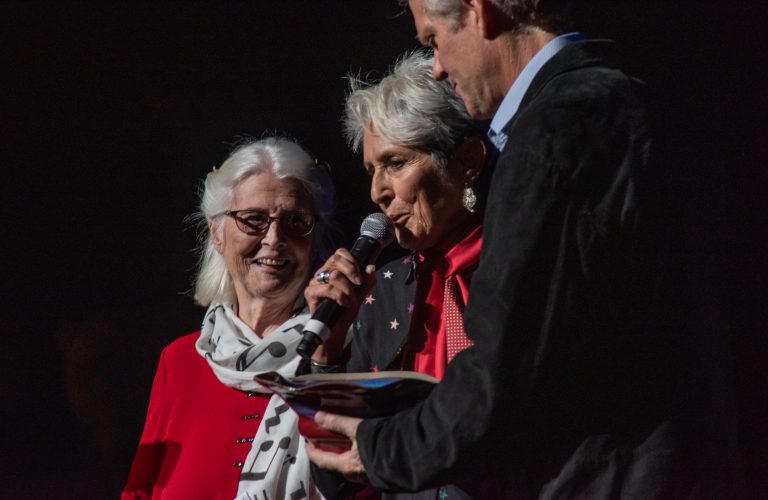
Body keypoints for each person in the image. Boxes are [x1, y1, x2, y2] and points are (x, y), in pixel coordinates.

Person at [306, 1, 732, 498]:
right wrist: (326, 359)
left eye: (432, 40)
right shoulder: (636, 104)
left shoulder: (555, 128)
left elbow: (501, 376)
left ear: (477, 11)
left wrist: (384, 451)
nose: (439, 66)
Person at [304, 50, 490, 500]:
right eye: (372, 170)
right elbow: (335, 481)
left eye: (397, 163)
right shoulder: (382, 289)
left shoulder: (517, 265)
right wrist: (328, 354)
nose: (377, 192)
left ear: (466, 161)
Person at [122, 136, 335, 500]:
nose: (274, 238)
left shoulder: (336, 355)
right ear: (217, 233)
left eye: (295, 222)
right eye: (253, 220)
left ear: (315, 239)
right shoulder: (179, 361)